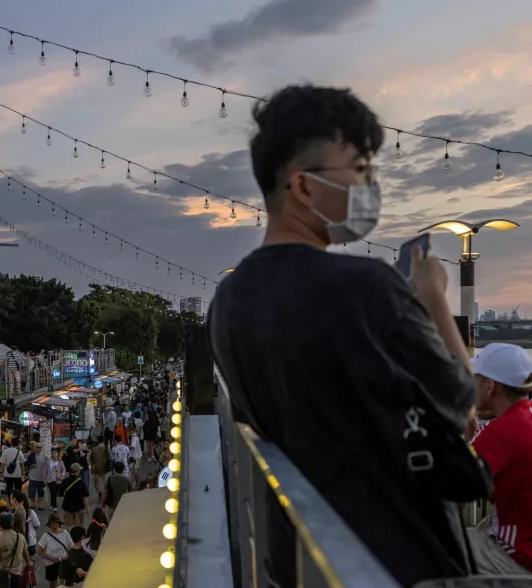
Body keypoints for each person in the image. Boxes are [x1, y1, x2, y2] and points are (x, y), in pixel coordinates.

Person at [207, 84, 482, 587]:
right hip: (400, 561)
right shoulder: (365, 287)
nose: (370, 184)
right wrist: (434, 301)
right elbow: (465, 403)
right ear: (305, 187)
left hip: (300, 557)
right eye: (359, 170)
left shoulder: (228, 301)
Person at [468, 343, 532, 574]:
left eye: (476, 378)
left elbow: (453, 479)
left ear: (490, 386)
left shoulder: (500, 432)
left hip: (520, 557)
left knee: (435, 554)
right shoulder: (525, 417)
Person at [0, 511, 32, 588]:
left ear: (0, 524)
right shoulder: (20, 537)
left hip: (2, 575)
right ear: (12, 522)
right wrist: (29, 562)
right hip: (17, 574)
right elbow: (26, 554)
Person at [38, 513, 74, 588]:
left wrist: (66, 557)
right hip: (51, 564)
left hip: (63, 562)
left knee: (64, 582)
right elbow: (40, 552)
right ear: (49, 524)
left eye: (55, 522)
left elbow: (71, 547)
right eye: (52, 523)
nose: (54, 525)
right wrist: (52, 559)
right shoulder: (46, 536)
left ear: (59, 523)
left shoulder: (65, 534)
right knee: (53, 583)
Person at [60, 463, 90, 528]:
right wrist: (87, 508)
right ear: (78, 471)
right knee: (80, 526)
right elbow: (85, 496)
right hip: (79, 506)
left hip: (67, 506)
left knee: (68, 526)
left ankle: (70, 537)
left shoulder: (64, 481)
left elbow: (60, 494)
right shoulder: (81, 482)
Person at [25, 442, 47, 510]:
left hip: (41, 478)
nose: (39, 448)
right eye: (37, 447)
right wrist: (31, 466)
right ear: (34, 448)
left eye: (40, 447)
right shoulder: (31, 456)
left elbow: (50, 464)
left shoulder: (44, 456)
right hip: (33, 477)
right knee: (31, 492)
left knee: (41, 492)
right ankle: (33, 504)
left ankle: (40, 505)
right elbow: (26, 464)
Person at [47, 446, 66, 513]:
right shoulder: (48, 462)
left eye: (55, 453)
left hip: (58, 480)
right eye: (52, 453)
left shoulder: (60, 462)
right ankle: (54, 506)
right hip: (50, 480)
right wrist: (44, 481)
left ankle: (52, 504)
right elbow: (45, 472)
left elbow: (63, 470)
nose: (54, 454)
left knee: (56, 493)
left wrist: (61, 475)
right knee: (53, 493)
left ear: (58, 454)